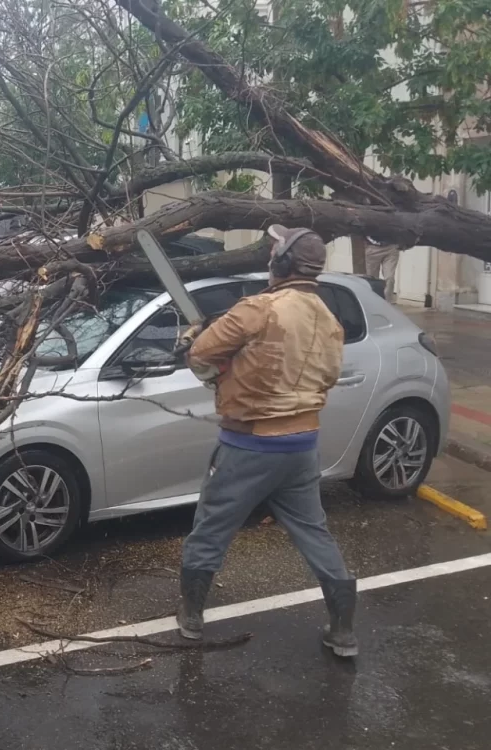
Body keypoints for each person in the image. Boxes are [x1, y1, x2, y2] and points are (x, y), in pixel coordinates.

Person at [175, 224, 358, 658]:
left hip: (249, 446)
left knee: (211, 528)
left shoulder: (258, 309)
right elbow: (327, 377)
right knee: (315, 534)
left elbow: (200, 355)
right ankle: (344, 630)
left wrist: (191, 337)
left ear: (280, 264)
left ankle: (191, 618)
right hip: (301, 447)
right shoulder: (329, 320)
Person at [364, 237, 401, 302]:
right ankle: (373, 301)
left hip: (391, 247)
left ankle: (388, 302)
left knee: (390, 277)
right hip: (373, 248)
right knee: (372, 279)